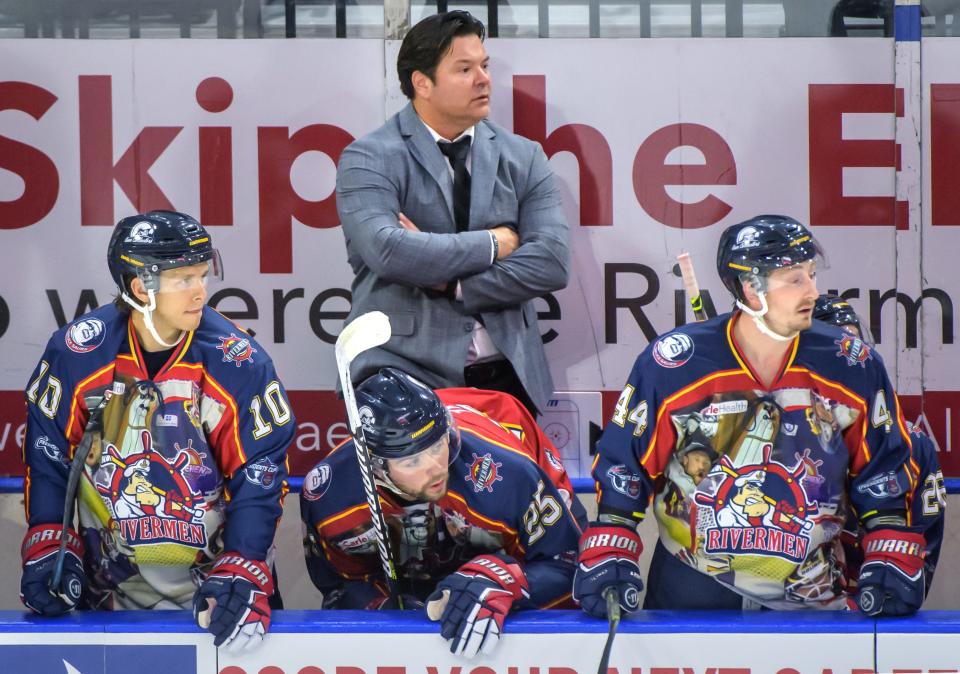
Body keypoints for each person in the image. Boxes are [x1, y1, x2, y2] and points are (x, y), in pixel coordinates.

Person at [573, 214, 926, 615]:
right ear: (750, 287)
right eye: (795, 278)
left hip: (809, 593)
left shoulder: (851, 363)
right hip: (691, 587)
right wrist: (613, 535)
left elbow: (882, 467)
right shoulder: (675, 363)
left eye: (811, 274)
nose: (813, 289)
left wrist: (889, 538)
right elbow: (626, 462)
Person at [20, 210, 295, 652]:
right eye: (184, 279)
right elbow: (49, 455)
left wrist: (244, 564)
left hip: (216, 597)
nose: (201, 291)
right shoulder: (77, 354)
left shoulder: (238, 361)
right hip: (104, 588)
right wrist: (50, 541)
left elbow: (259, 471)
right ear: (139, 287)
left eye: (203, 275)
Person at [335, 10, 570, 416]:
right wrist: (496, 242)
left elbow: (552, 262)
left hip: (510, 375)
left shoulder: (524, 156)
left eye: (484, 65)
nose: (483, 79)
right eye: (464, 69)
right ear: (421, 83)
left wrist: (452, 284)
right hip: (400, 371)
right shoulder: (368, 157)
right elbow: (389, 251)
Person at [300, 368, 582, 657]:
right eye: (412, 462)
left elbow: (570, 566)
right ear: (376, 468)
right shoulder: (330, 498)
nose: (435, 467)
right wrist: (383, 609)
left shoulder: (506, 473)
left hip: (515, 514)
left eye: (437, 446)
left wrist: (509, 582)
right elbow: (339, 586)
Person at [813, 293, 945, 603]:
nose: (850, 370)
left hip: (872, 611)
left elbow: (922, 554)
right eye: (836, 359)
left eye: (855, 354)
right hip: (785, 617)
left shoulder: (914, 446)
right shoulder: (774, 437)